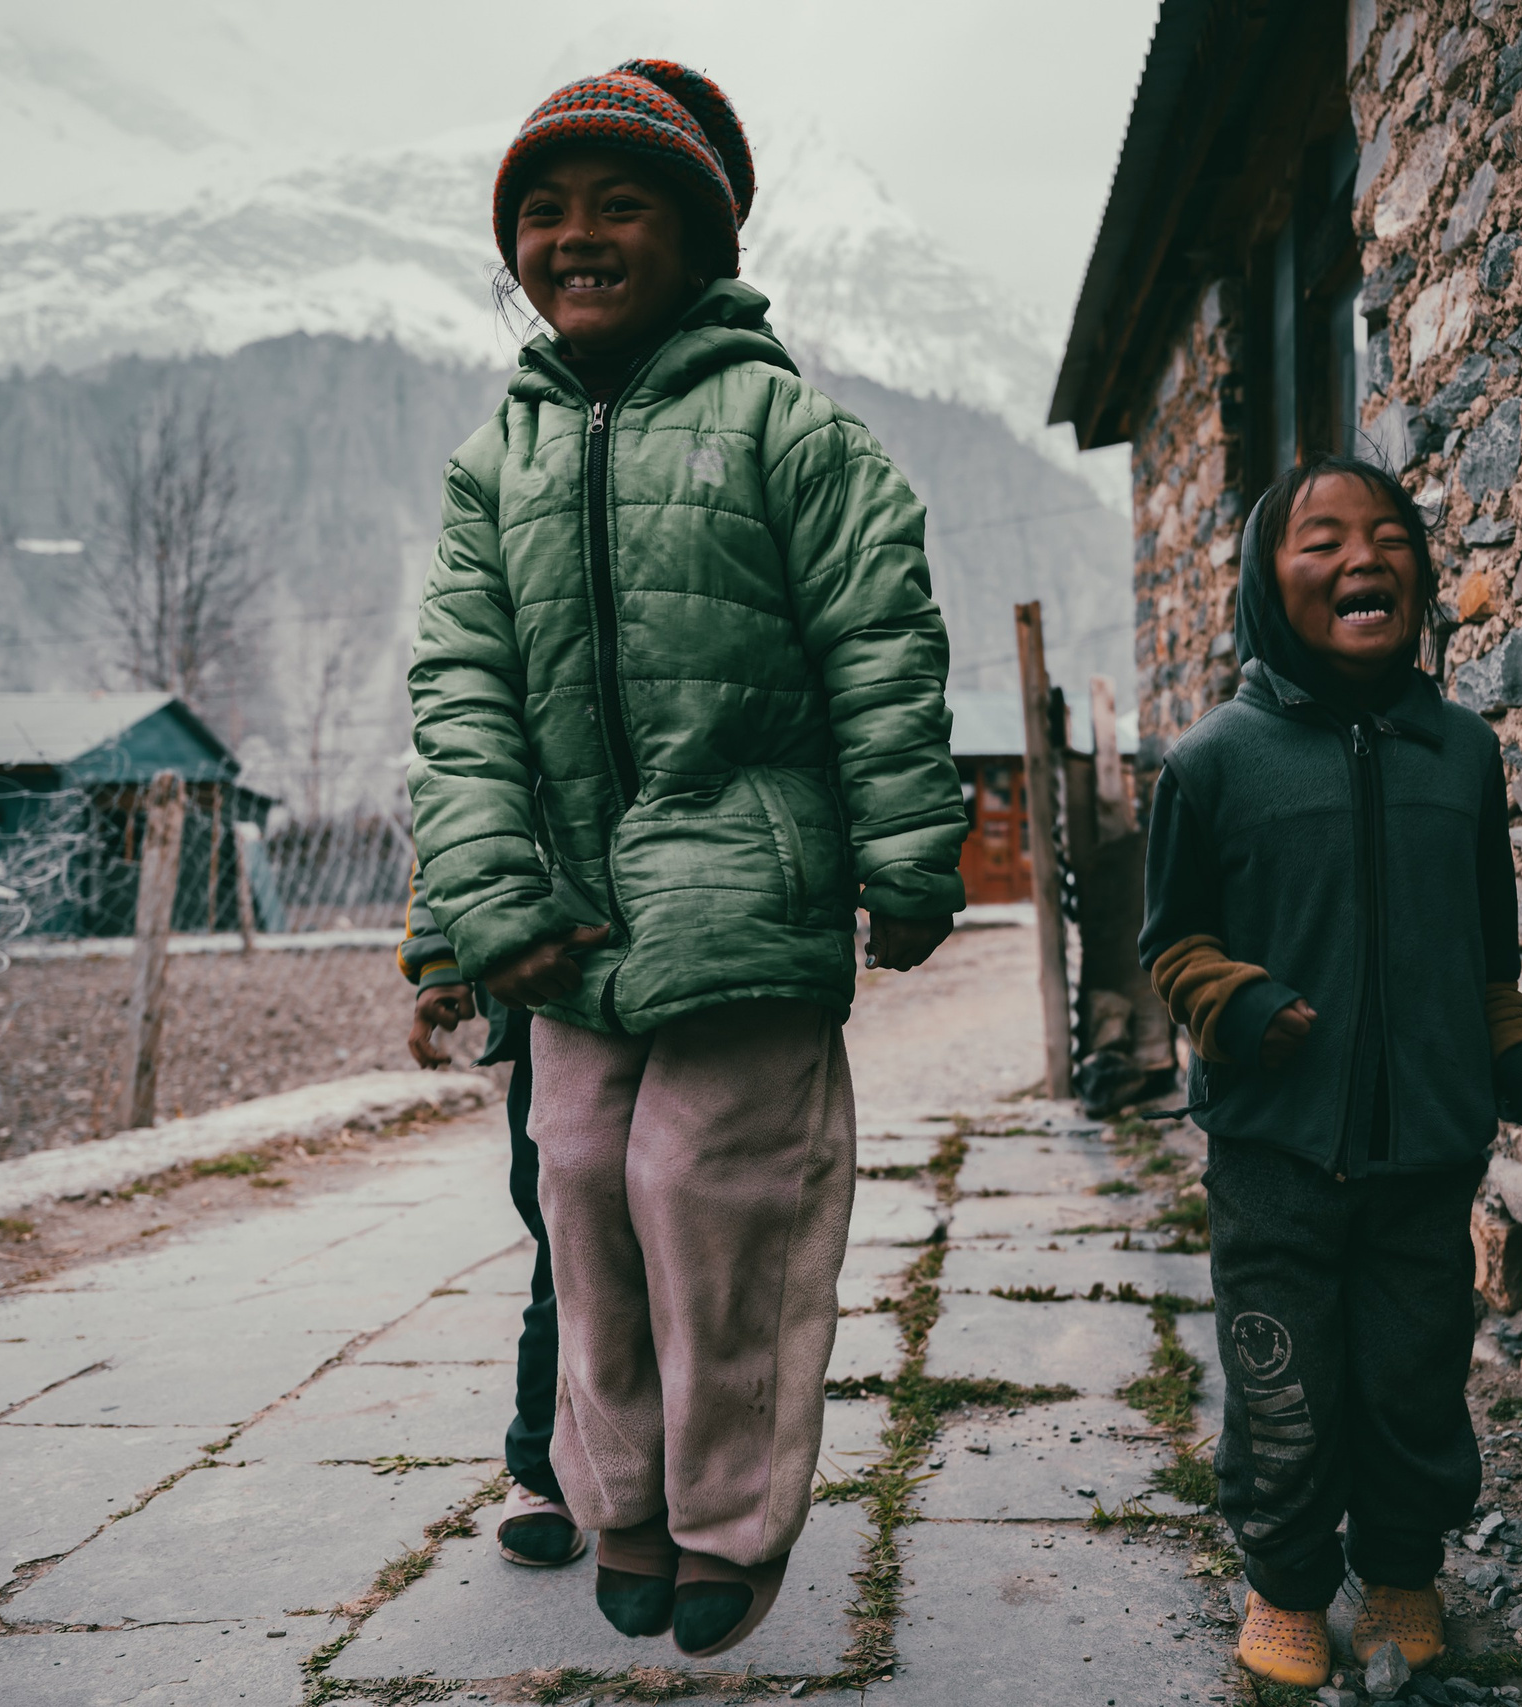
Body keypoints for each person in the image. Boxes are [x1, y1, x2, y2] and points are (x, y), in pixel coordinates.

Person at [405, 60, 965, 1660]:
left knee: (702, 1184)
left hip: (743, 887)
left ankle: (727, 1514)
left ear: (702, 236)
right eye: (541, 209)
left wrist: (908, 851)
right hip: (566, 916)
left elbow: (879, 641)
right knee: (575, 1177)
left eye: (618, 203)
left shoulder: (789, 429)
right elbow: (460, 694)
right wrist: (479, 904)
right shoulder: (489, 464)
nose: (573, 233)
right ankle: (620, 1495)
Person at [1138, 454, 1522, 1688]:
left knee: (1413, 1384)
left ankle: (1404, 1574)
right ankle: (1288, 1583)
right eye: (1324, 540)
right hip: (1275, 1159)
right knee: (1282, 1386)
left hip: (1424, 1162)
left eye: (1390, 534)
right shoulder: (1213, 763)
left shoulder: (1461, 754)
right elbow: (1170, 945)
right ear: (1264, 581)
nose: (1365, 557)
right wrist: (1238, 1003)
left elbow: (1484, 959)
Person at [399, 869, 580, 1568]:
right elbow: (461, 801)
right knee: (565, 1233)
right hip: (552, 978)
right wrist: (442, 958)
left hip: (700, 957)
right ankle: (543, 1470)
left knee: (693, 1221)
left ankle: (692, 1467)